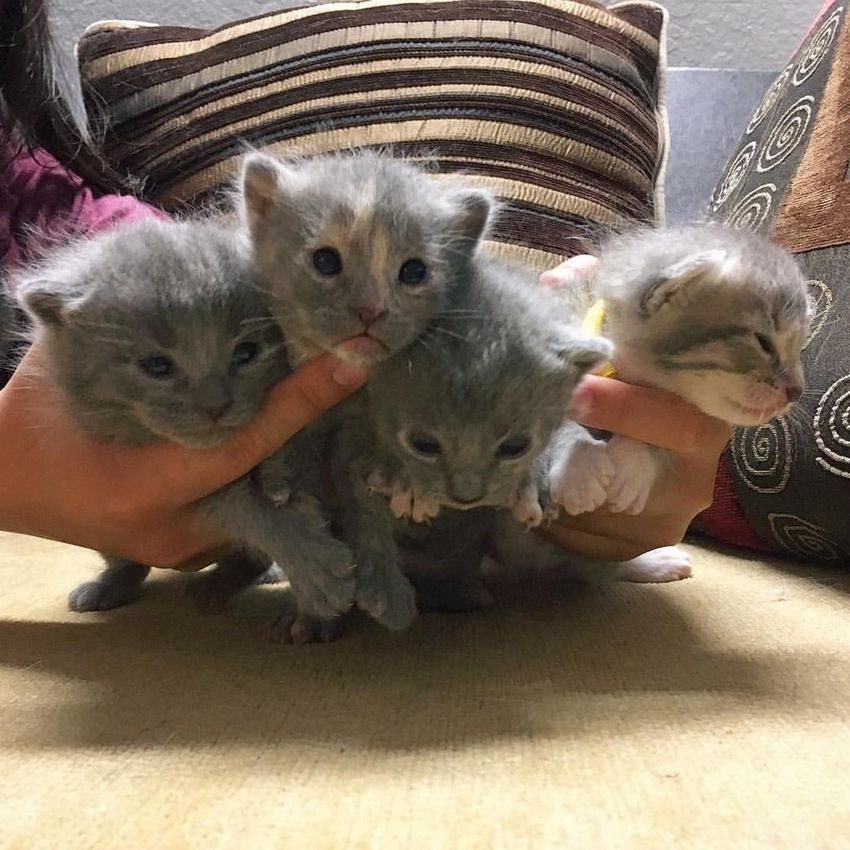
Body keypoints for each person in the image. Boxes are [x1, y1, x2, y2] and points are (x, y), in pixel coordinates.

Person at [0, 0, 728, 570]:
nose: (369, 310)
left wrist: (595, 436)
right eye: (327, 265)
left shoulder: (62, 199)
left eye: (411, 275)